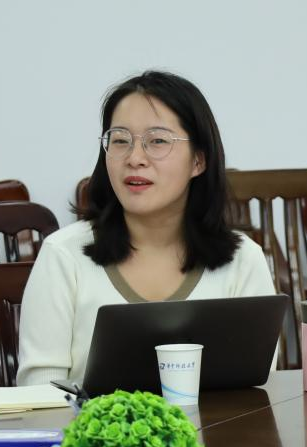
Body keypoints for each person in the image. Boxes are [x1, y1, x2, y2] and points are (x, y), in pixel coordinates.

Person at [16, 70, 275, 386]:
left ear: (198, 160)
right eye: (120, 140)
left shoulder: (243, 260)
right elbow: (39, 392)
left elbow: (257, 389)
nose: (135, 158)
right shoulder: (64, 256)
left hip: (218, 422)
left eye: (157, 141)